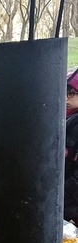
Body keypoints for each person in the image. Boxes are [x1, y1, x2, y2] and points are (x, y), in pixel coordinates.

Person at [64, 69, 78, 224]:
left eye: (72, 92)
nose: (67, 97)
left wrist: (57, 194)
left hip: (70, 200)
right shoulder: (69, 117)